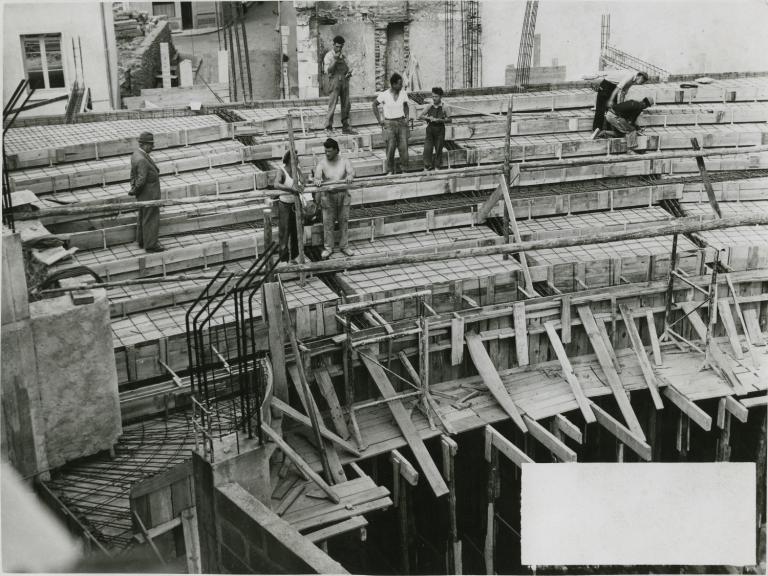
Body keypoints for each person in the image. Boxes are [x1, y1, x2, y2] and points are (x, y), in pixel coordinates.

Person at [314, 138, 355, 259]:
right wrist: (318, 180)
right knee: (328, 224)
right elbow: (317, 176)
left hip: (343, 195)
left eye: (329, 151)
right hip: (328, 196)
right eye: (325, 151)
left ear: (336, 150)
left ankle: (344, 246)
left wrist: (350, 176)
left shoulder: (344, 161)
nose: (327, 154)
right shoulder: (322, 163)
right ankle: (328, 248)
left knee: (344, 222)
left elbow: (352, 172)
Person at [128, 132, 164, 252]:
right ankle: (151, 245)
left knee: (143, 217)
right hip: (149, 195)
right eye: (151, 145)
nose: (153, 147)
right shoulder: (142, 159)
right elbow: (142, 179)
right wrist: (135, 190)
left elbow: (133, 174)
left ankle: (142, 241)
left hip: (143, 195)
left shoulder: (136, 154)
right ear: (144, 145)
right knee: (151, 219)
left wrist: (134, 189)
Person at [589, 69, 648, 136]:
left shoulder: (632, 80)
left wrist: (622, 107)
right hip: (606, 85)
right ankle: (596, 130)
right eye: (642, 81)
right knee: (600, 110)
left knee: (613, 110)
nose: (642, 83)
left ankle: (608, 132)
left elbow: (623, 93)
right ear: (639, 76)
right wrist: (610, 100)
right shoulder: (630, 76)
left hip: (613, 87)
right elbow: (618, 88)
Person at [372, 72, 410, 175]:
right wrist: (379, 120)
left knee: (404, 147)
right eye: (399, 84)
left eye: (401, 84)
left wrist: (407, 117)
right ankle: (390, 170)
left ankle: (405, 170)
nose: (401, 86)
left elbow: (406, 105)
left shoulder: (403, 93)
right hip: (389, 124)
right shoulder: (384, 94)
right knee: (390, 148)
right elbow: (374, 105)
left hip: (401, 123)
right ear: (393, 84)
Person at [323, 35, 356, 135]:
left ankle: (346, 127)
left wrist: (350, 73)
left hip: (345, 81)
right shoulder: (329, 56)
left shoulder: (344, 55)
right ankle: (328, 127)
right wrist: (335, 60)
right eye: (337, 46)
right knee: (332, 104)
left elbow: (350, 67)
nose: (339, 49)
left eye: (340, 47)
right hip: (334, 81)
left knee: (346, 105)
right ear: (333, 45)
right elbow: (328, 71)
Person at [273, 151, 300, 262]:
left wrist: (302, 184)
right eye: (296, 158)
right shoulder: (282, 171)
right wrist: (290, 189)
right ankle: (283, 259)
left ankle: (295, 256)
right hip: (285, 205)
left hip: (296, 205)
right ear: (290, 160)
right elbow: (276, 184)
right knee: (284, 233)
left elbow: (303, 181)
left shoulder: (297, 170)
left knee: (297, 231)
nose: (298, 160)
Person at [419, 86, 452, 170]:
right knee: (427, 148)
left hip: (440, 130)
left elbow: (449, 120)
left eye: (436, 96)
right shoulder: (429, 106)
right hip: (430, 129)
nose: (434, 98)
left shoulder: (445, 106)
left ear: (441, 97)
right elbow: (420, 116)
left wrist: (440, 120)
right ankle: (427, 166)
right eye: (433, 96)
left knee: (438, 148)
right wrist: (428, 118)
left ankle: (437, 166)